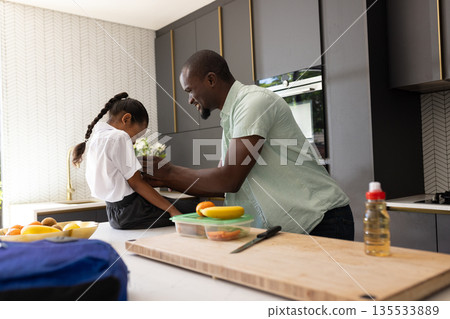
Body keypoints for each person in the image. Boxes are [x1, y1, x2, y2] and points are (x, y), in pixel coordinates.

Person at [144, 50, 354, 240]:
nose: (190, 99)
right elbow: (218, 184)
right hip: (291, 229)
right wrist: (165, 180)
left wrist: (168, 172)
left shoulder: (252, 102)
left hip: (321, 221)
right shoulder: (230, 117)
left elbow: (228, 179)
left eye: (190, 90)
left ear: (210, 80)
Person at [72, 92, 197, 229]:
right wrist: (173, 211)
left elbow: (120, 178)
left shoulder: (97, 137)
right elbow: (137, 184)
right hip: (134, 211)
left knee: (184, 207)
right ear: (126, 119)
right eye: (136, 136)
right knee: (196, 210)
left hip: (114, 214)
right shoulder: (119, 137)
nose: (135, 142)